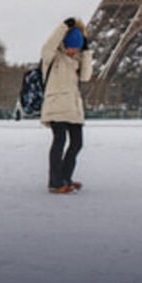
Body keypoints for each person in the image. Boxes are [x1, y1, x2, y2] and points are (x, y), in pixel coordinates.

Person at [40, 17, 93, 194]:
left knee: (77, 143)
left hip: (73, 108)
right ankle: (55, 182)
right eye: (72, 46)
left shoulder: (77, 60)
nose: (73, 50)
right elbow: (49, 44)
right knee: (59, 141)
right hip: (56, 106)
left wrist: (86, 52)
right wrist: (64, 27)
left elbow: (86, 76)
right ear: (65, 43)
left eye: (77, 47)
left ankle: (65, 178)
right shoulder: (52, 57)